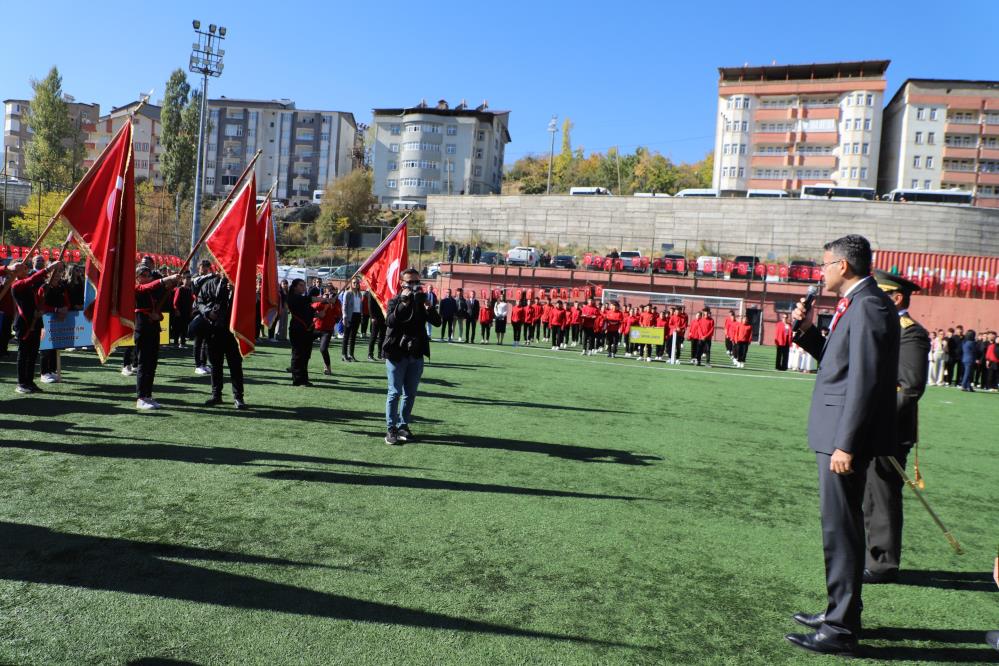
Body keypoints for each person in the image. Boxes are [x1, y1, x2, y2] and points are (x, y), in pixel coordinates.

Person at [786, 234, 899, 656]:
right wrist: (806, 330)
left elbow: (865, 382)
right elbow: (838, 362)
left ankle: (841, 628)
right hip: (836, 433)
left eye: (824, 265)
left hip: (843, 438)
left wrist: (846, 444)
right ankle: (840, 612)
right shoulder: (857, 302)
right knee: (840, 529)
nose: (821, 273)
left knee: (842, 530)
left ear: (843, 267)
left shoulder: (868, 305)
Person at [861, 271, 930, 586]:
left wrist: (877, 420)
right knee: (868, 496)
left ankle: (883, 564)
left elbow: (909, 387)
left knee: (883, 495)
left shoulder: (910, 333)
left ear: (896, 298)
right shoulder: (883, 327)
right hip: (867, 426)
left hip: (889, 430)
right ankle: (871, 555)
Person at [383, 268, 441, 445]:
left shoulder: (422, 300)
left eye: (417, 282)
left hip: (415, 352)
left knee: (410, 393)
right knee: (394, 392)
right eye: (411, 282)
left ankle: (403, 426)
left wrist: (429, 308)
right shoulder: (395, 300)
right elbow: (390, 322)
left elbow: (437, 322)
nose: (415, 285)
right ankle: (391, 428)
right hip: (396, 353)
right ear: (402, 283)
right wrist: (403, 303)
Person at [10, 260, 63, 394]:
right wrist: (49, 268)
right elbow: (33, 279)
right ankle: (21, 383)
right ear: (15, 271)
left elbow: (38, 291)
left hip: (36, 322)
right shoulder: (16, 285)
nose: (25, 268)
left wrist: (40, 308)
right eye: (21, 267)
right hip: (24, 324)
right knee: (23, 355)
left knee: (33, 355)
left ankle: (29, 382)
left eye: (25, 267)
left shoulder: (29, 284)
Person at [198, 273, 247, 409]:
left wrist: (235, 292)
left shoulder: (238, 284)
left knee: (235, 366)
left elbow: (248, 303)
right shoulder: (209, 284)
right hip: (213, 331)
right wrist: (208, 312)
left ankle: (238, 397)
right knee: (215, 365)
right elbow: (200, 301)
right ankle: (216, 395)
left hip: (233, 332)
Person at [134, 264, 179, 410]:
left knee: (152, 364)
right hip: (142, 328)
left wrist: (171, 284)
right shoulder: (136, 288)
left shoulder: (153, 291)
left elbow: (162, 299)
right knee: (143, 363)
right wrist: (166, 279)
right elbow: (147, 287)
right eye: (144, 275)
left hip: (153, 328)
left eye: (149, 275)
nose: (147, 278)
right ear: (137, 277)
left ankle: (148, 395)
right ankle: (140, 397)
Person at [38, 265, 70, 383]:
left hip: (59, 320)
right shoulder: (44, 288)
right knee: (46, 346)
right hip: (45, 321)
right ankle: (44, 373)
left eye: (58, 273)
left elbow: (67, 302)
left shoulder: (62, 287)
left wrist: (65, 309)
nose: (57, 276)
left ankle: (52, 370)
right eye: (54, 273)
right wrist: (56, 310)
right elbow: (41, 305)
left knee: (55, 346)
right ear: (48, 274)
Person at [287, 278, 316, 386]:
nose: (303, 287)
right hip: (297, 329)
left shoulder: (303, 299)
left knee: (306, 355)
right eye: (301, 285)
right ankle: (297, 379)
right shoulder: (293, 298)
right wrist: (326, 300)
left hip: (307, 330)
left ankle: (304, 379)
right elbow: (309, 299)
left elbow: (309, 311)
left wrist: (319, 314)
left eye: (304, 285)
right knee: (298, 354)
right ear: (295, 287)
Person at [191, 260, 215, 375]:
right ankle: (197, 365)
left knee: (206, 339)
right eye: (203, 267)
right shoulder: (195, 278)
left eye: (207, 267)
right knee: (198, 339)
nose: (205, 269)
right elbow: (197, 282)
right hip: (198, 311)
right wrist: (212, 275)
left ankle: (204, 364)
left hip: (207, 311)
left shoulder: (210, 278)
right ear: (198, 267)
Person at [313, 288, 340, 374]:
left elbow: (338, 312)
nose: (329, 293)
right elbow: (313, 306)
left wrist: (333, 304)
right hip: (316, 328)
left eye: (331, 291)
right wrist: (323, 301)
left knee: (323, 349)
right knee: (304, 346)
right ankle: (297, 365)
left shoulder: (336, 301)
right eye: (327, 291)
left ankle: (328, 367)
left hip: (327, 330)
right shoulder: (319, 298)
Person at [340, 277, 363, 361]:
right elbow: (344, 306)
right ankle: (344, 354)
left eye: (357, 283)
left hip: (357, 315)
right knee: (346, 336)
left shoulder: (360, 294)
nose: (356, 284)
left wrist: (361, 316)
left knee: (353, 337)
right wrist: (344, 316)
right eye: (354, 283)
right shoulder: (347, 293)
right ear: (351, 284)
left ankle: (351, 355)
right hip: (349, 316)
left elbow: (360, 307)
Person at [367, 291, 386, 361]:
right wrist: (372, 317)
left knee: (382, 336)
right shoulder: (371, 292)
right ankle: (370, 354)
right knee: (373, 336)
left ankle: (380, 354)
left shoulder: (382, 291)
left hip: (383, 316)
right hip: (375, 318)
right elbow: (370, 305)